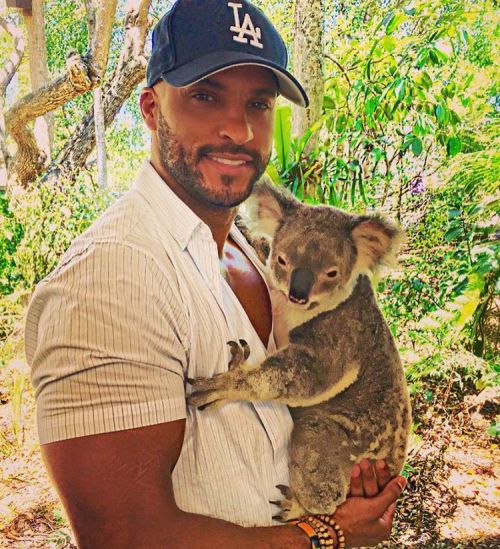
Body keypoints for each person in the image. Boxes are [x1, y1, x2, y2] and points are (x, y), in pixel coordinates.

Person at [25, 1, 407, 547]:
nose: (238, 128)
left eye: (258, 102)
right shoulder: (110, 280)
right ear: (152, 109)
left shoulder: (246, 249)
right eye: (205, 96)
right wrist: (325, 536)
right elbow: (128, 536)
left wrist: (339, 479)